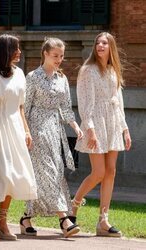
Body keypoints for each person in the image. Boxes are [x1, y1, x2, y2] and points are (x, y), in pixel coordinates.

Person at [20, 37, 83, 238]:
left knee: (52, 173)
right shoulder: (32, 77)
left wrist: (76, 126)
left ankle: (25, 218)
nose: (59, 59)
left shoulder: (61, 79)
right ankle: (64, 219)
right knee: (47, 172)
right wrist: (25, 132)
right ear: (45, 54)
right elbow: (24, 107)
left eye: (61, 56)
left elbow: (65, 107)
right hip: (36, 130)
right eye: (55, 55)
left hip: (55, 131)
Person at [73, 32, 132, 237]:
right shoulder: (87, 70)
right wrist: (90, 129)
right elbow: (85, 102)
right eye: (97, 42)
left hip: (113, 122)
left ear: (111, 47)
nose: (100, 45)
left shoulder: (114, 70)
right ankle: (74, 207)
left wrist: (125, 129)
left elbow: (119, 102)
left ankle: (103, 221)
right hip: (96, 123)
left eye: (104, 43)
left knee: (111, 171)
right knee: (98, 172)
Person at [0, 34, 37, 240]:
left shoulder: (20, 73)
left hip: (15, 128)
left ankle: (2, 221)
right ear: (6, 50)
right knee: (0, 175)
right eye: (16, 48)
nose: (19, 51)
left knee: (14, 175)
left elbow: (20, 106)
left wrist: (27, 130)